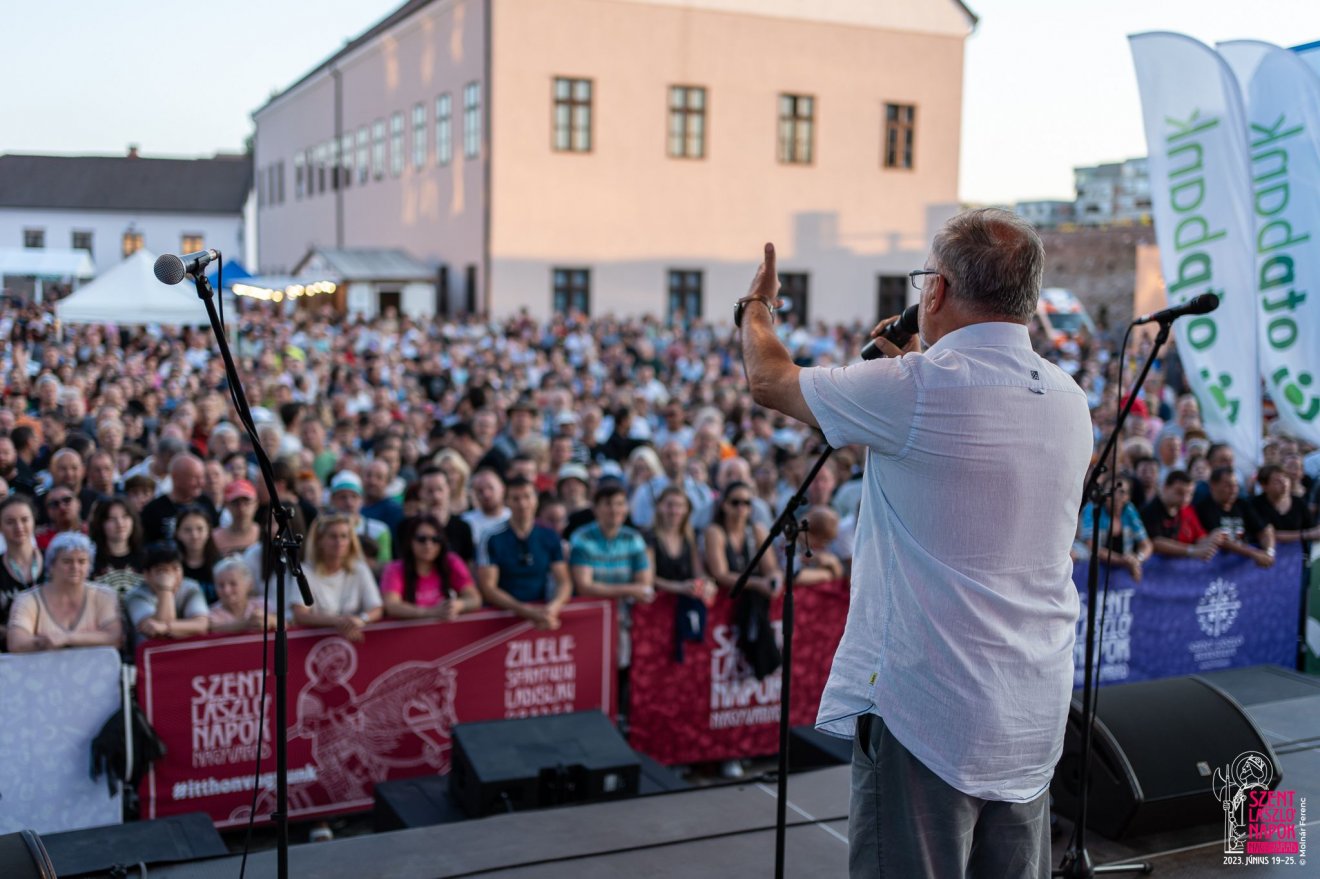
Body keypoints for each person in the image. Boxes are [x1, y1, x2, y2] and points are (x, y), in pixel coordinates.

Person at [738, 210, 1092, 877]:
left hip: (932, 712)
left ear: (935, 290)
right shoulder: (1070, 398)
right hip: (1030, 714)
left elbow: (768, 380)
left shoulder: (917, 389)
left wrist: (756, 306)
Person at [476, 476, 571, 630]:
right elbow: (488, 588)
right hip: (500, 621)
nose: (523, 504)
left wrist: (554, 607)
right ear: (507, 501)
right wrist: (525, 611)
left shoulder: (550, 535)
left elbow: (564, 581)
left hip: (541, 615)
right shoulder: (491, 537)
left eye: (527, 497)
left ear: (536, 499)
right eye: (516, 498)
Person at [7, 531, 124, 652]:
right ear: (51, 566)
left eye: (82, 561)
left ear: (90, 566)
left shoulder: (104, 596)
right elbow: (16, 643)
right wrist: (44, 642)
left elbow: (115, 638)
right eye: (67, 561)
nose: (75, 567)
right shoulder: (27, 599)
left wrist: (67, 638)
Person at [291, 511, 383, 642]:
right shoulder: (305, 571)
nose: (339, 542)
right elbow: (300, 614)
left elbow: (376, 608)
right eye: (333, 536)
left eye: (344, 536)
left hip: (354, 641)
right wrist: (339, 622)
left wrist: (360, 620)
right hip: (312, 645)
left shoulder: (360, 569)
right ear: (319, 540)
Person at [380, 514, 481, 620]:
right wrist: (431, 612)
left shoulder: (451, 562)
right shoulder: (394, 569)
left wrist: (458, 605)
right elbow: (392, 606)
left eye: (435, 539)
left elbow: (474, 598)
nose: (429, 545)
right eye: (421, 539)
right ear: (410, 541)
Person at [125, 542, 211, 641]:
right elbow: (157, 635)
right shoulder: (135, 596)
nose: (170, 575)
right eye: (162, 571)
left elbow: (202, 625)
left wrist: (165, 628)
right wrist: (165, 590)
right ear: (146, 575)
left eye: (175, 569)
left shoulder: (191, 587)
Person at [1194, 466, 1276, 568]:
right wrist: (1254, 554)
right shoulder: (1204, 508)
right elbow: (1221, 540)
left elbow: (1264, 530)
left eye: (1236, 485)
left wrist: (1269, 552)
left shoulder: (1243, 504)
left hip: (1244, 567)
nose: (1233, 490)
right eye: (1228, 485)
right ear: (1213, 486)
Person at [1077, 476, 1154, 582]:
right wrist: (1124, 561)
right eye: (1112, 491)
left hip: (1120, 573)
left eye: (1122, 492)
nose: (1116, 496)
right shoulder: (1092, 509)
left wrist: (1137, 559)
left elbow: (1146, 545)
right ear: (1103, 493)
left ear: (1128, 497)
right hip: (1095, 570)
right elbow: (1092, 547)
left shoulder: (1129, 510)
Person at [1140, 470, 1222, 560]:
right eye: (1179, 492)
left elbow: (1200, 538)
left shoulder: (1186, 510)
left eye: (1190, 494)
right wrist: (1192, 551)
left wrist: (1211, 540)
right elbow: (1155, 542)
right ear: (1165, 488)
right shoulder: (1150, 510)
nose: (1185, 498)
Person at [140, 454, 216, 543]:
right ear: (176, 478)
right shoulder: (153, 510)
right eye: (194, 478)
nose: (200, 483)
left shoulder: (206, 503)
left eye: (202, 477)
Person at [0, 494, 43, 650]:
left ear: (33, 521)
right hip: (9, 656)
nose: (19, 527)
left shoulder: (54, 562)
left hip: (54, 652)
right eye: (10, 522)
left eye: (25, 519)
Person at [88, 495, 147, 596]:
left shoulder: (146, 558)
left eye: (125, 517)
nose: (120, 523)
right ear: (101, 524)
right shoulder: (90, 560)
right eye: (112, 519)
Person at [1250, 464, 1319, 546]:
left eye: (1285, 478)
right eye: (1277, 481)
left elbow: (1312, 528)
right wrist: (1304, 535)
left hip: (1299, 553)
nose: (1284, 484)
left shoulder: (1299, 502)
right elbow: (1266, 534)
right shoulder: (1255, 505)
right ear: (1264, 486)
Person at [207, 556, 272, 633]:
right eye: (221, 585)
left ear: (249, 584)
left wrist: (270, 620)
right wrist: (246, 623)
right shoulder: (212, 613)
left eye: (233, 584)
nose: (226, 590)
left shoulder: (263, 605)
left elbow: (285, 623)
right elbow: (214, 628)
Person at [175, 505, 222, 602]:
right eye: (187, 530)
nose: (194, 535)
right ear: (177, 533)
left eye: (200, 529)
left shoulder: (220, 564)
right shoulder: (172, 565)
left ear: (209, 531)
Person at [213, 479, 261, 555]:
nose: (241, 508)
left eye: (246, 502)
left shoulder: (264, 534)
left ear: (256, 504)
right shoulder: (215, 538)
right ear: (226, 505)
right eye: (235, 503)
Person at [35, 485, 85, 550]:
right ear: (48, 511)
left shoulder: (93, 532)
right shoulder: (40, 539)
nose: (62, 507)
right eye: (54, 504)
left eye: (67, 500)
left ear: (78, 503)